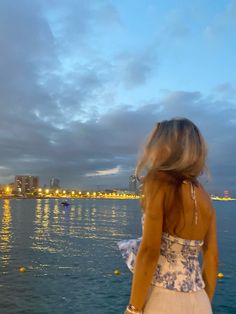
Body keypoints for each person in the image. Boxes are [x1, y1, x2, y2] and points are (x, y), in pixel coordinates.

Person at [118, 118, 218, 314]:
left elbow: (149, 251)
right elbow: (212, 258)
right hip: (201, 301)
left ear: (163, 146)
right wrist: (204, 301)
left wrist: (133, 309)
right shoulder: (204, 195)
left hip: (163, 300)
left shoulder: (158, 181)